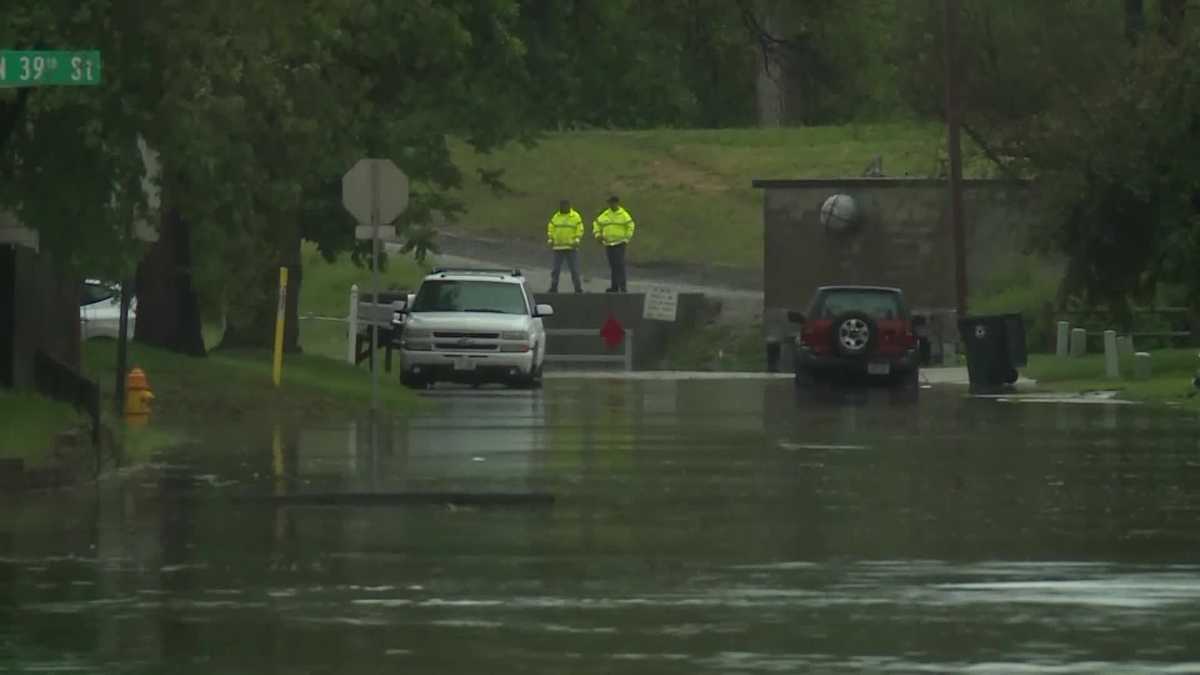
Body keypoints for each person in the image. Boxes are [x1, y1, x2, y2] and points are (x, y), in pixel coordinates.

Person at [593, 195, 635, 293]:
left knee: (619, 265)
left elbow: (630, 226)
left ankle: (623, 287)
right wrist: (597, 235)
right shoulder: (606, 214)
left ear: (617, 203)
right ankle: (614, 287)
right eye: (609, 203)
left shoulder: (623, 215)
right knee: (613, 265)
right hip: (608, 244)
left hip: (620, 243)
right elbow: (596, 224)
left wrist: (626, 239)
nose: (611, 205)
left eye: (612, 203)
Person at [546, 199, 584, 293]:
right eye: (562, 206)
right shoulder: (556, 217)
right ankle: (554, 287)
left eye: (566, 206)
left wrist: (577, 239)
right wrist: (550, 238)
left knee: (574, 269)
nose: (564, 208)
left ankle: (578, 288)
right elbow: (551, 228)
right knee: (556, 270)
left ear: (569, 206)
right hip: (558, 247)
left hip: (571, 247)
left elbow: (580, 229)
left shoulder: (575, 217)